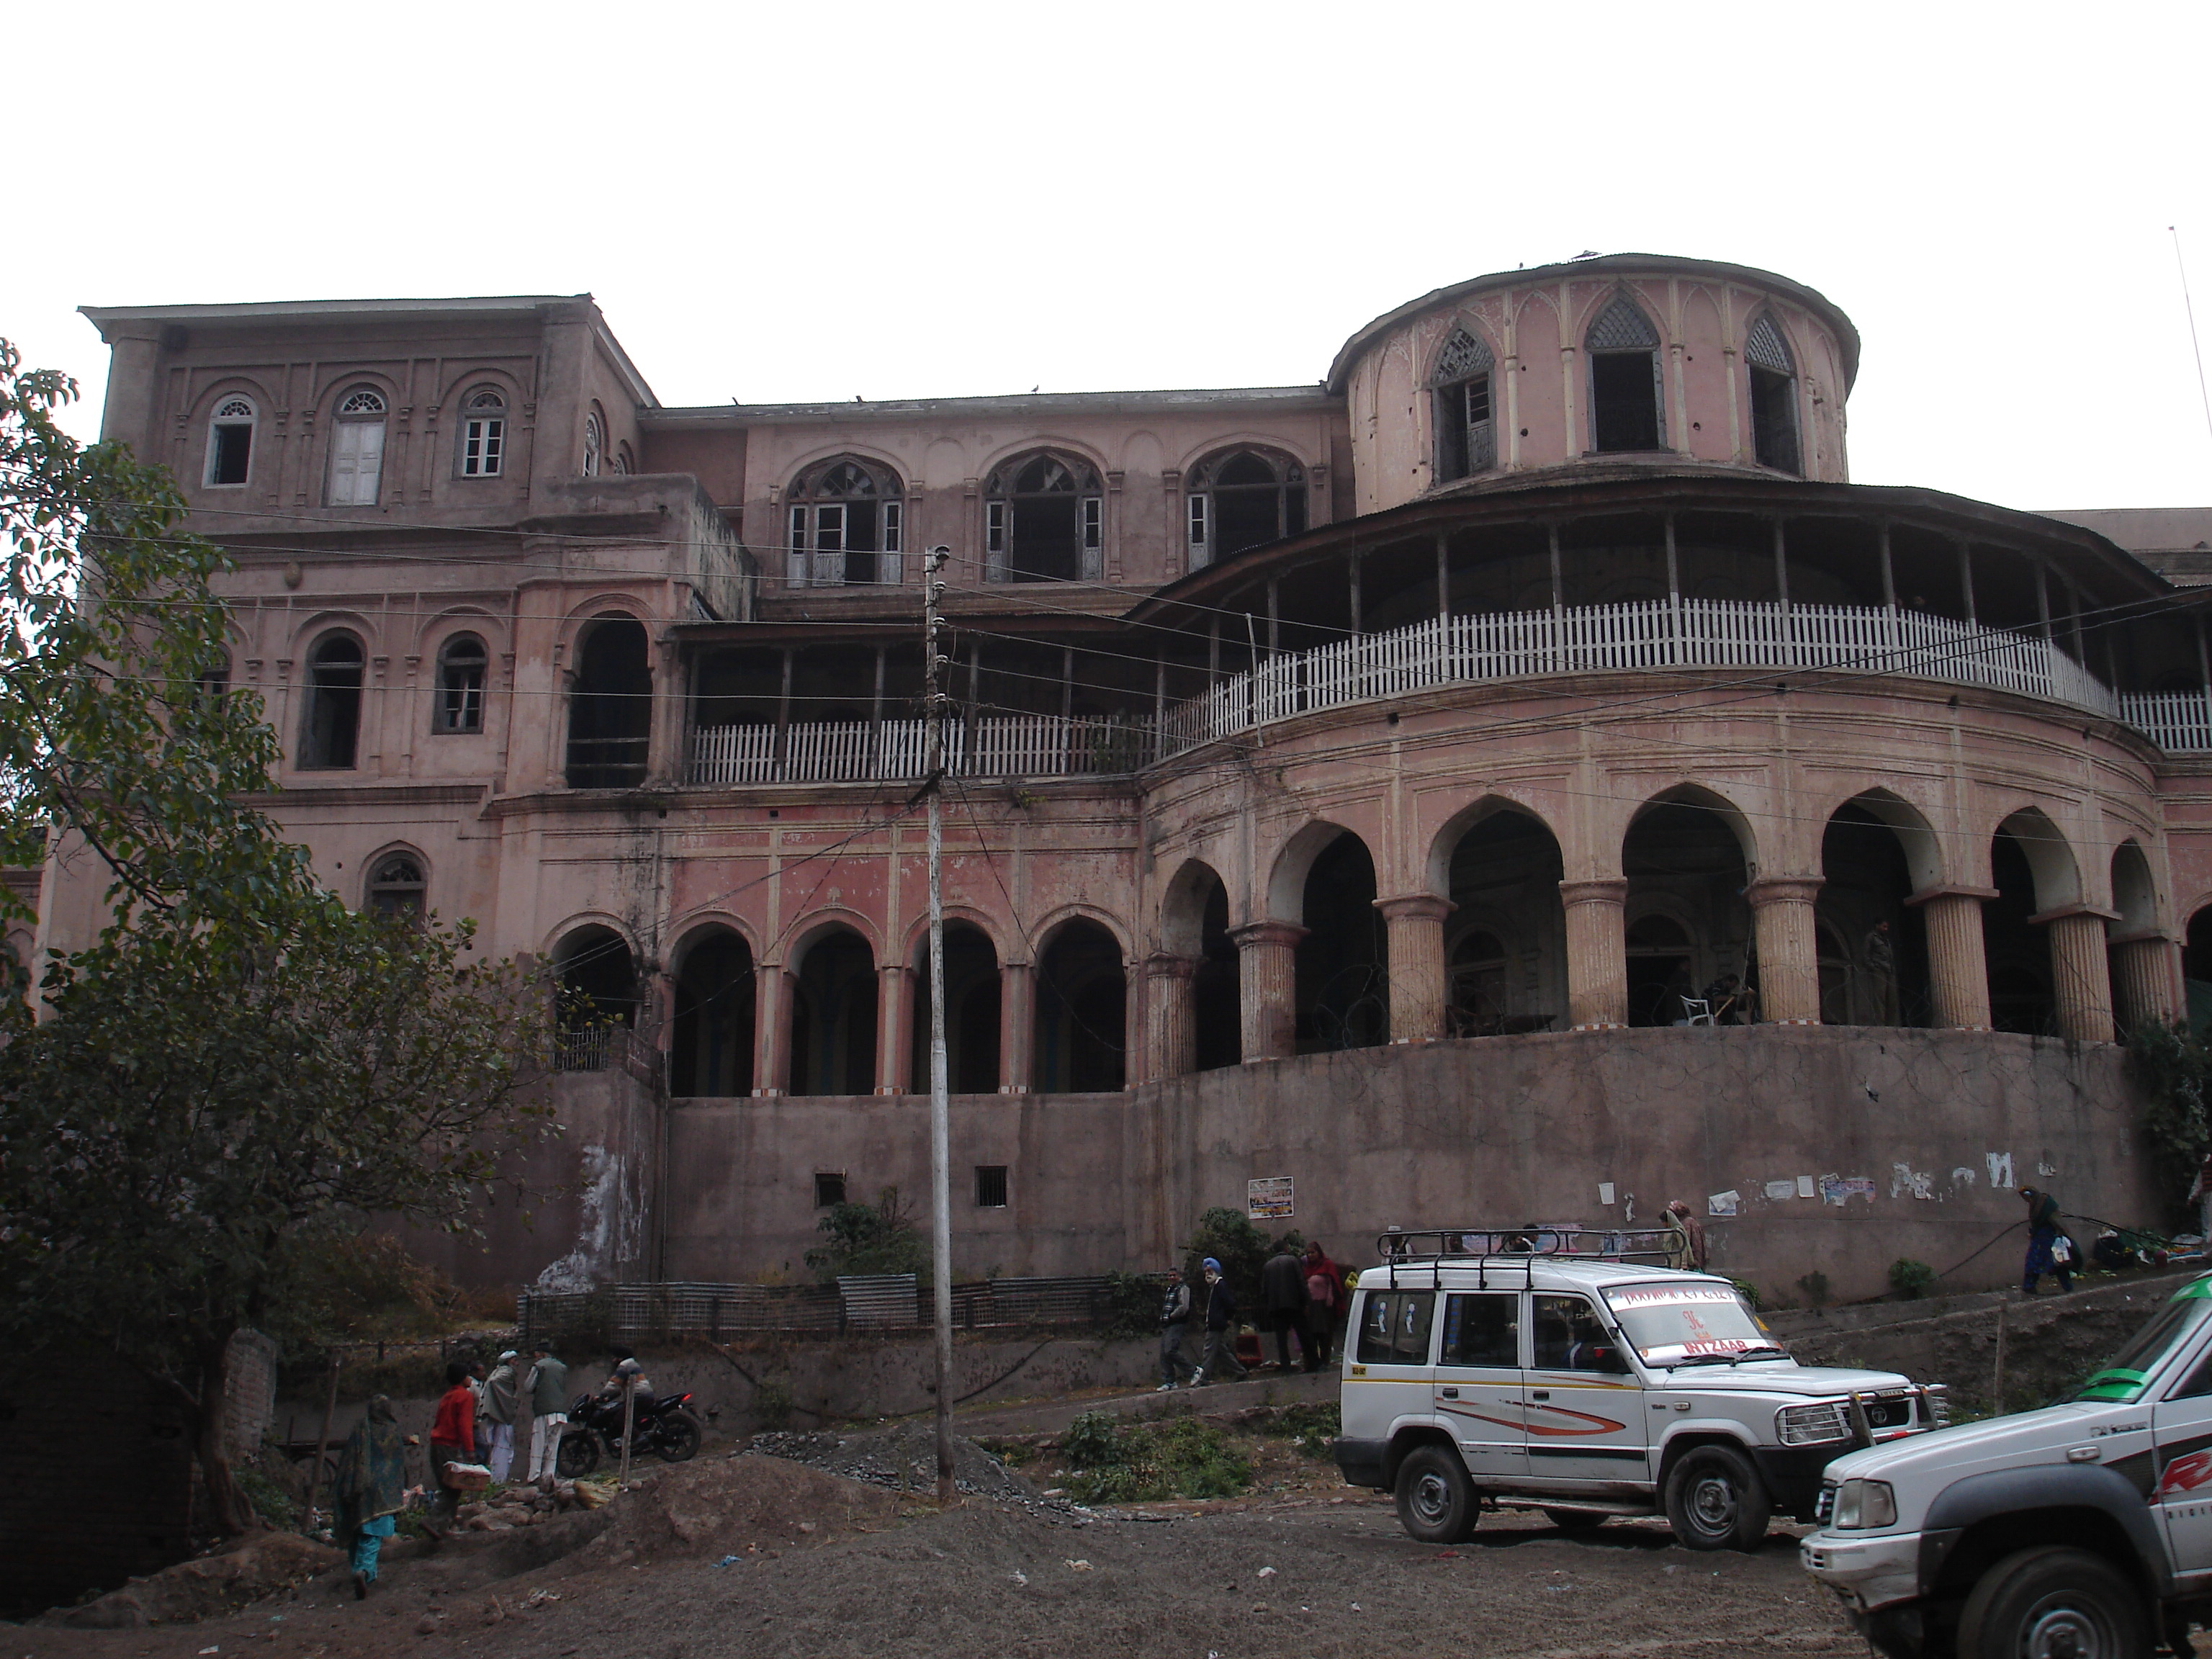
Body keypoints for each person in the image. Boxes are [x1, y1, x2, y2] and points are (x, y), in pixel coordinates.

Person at [333, 1395, 407, 1599]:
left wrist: (345, 1486)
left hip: (359, 1489)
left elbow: (348, 1459)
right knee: (373, 1536)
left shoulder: (360, 1429)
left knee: (357, 1530)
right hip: (383, 1493)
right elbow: (397, 1465)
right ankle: (365, 1571)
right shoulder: (392, 1431)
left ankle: (356, 1569)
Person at [426, 1362, 477, 1527]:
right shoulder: (464, 1396)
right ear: (463, 1378)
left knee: (445, 1485)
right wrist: (469, 1449)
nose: (471, 1379)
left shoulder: (448, 1395)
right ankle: (433, 1521)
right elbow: (464, 1425)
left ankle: (448, 1524)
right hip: (449, 1446)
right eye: (468, 1375)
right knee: (453, 1488)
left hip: (436, 1445)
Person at [1192, 1257, 1247, 1385]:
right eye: (1205, 1272)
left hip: (1216, 1325)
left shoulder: (1220, 1285)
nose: (1207, 1274)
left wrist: (1227, 1318)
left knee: (1209, 1351)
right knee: (1222, 1352)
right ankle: (1240, 1371)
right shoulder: (1215, 1287)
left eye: (1210, 1271)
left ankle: (1203, 1378)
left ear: (1216, 1270)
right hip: (1215, 1323)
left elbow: (1230, 1303)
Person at [523, 1344, 570, 1483]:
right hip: (560, 1411)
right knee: (553, 1445)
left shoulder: (539, 1366)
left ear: (541, 1353)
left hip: (544, 1410)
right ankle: (549, 1476)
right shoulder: (562, 1367)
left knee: (538, 1443)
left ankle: (534, 1476)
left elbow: (528, 1387)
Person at [1262, 1243, 1310, 1372]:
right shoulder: (1293, 1261)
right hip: (1293, 1304)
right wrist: (1305, 1301)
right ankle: (1311, 1364)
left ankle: (1286, 1367)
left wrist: (1269, 1307)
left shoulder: (1268, 1266)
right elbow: (1301, 1282)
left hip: (1276, 1307)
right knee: (1303, 1334)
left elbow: (1264, 1290)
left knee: (1281, 1340)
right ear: (1286, 1249)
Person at [2020, 1187, 2075, 1294]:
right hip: (2039, 1240)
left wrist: (2060, 1234)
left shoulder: (2045, 1204)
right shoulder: (2035, 1205)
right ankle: (2029, 1286)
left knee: (2058, 1263)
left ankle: (2067, 1286)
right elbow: (2036, 1223)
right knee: (2033, 1262)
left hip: (2050, 1238)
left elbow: (2056, 1220)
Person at [480, 1351, 521, 1483]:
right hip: (503, 1415)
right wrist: (505, 1402)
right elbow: (493, 1382)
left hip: (497, 1413)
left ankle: (496, 1478)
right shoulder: (507, 1372)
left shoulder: (497, 1371)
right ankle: (499, 1479)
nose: (517, 1363)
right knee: (503, 1447)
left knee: (497, 1447)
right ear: (509, 1361)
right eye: (515, 1360)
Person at [1303, 1242, 1340, 1371]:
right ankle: (1313, 1363)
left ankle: (1325, 1362)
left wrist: (1330, 1299)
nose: (1311, 1255)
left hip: (1323, 1305)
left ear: (1319, 1252)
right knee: (1311, 1336)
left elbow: (1332, 1283)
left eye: (1313, 1252)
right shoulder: (1307, 1268)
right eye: (1308, 1253)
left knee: (1325, 1335)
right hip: (1311, 1305)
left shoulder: (1327, 1265)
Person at [1156, 1265, 1194, 1390]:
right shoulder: (1169, 1289)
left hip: (1177, 1323)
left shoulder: (1182, 1288)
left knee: (1170, 1350)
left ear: (1179, 1276)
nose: (1172, 1278)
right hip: (1167, 1324)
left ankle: (1193, 1371)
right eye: (1170, 1276)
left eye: (1174, 1275)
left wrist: (1172, 1316)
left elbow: (1184, 1307)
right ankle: (1169, 1381)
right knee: (1164, 1354)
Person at [1663, 1200, 1707, 1272]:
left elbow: (1686, 1244)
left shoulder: (1686, 1223)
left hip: (1691, 1263)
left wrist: (1685, 1263)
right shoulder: (1687, 1222)